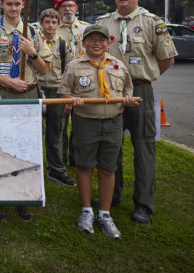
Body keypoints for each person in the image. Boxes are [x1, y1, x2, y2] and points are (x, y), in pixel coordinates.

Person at [96, 0, 177, 225]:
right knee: (111, 146)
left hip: (140, 92)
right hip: (109, 94)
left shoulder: (153, 23)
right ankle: (114, 194)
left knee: (144, 148)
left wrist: (143, 79)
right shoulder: (103, 22)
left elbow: (166, 59)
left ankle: (143, 204)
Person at [0, 0, 51, 223]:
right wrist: (8, 81)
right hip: (4, 96)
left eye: (18, 4)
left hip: (28, 96)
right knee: (1, 147)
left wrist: (33, 53)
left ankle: (22, 197)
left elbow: (45, 69)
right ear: (2, 5)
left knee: (26, 147)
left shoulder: (34, 34)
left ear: (23, 5)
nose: (14, 8)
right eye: (9, 4)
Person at [59, 24, 137, 239]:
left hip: (113, 123)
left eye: (101, 40)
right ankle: (86, 211)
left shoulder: (118, 65)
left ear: (107, 43)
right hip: (86, 123)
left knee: (108, 168)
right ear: (83, 43)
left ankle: (105, 213)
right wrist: (71, 100)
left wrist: (128, 99)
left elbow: (128, 89)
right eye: (91, 39)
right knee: (85, 166)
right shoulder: (74, 66)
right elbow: (64, 92)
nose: (96, 43)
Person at [36, 8, 75, 187]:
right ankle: (33, 166)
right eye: (47, 22)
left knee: (56, 132)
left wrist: (68, 98)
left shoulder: (62, 44)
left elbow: (69, 71)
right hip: (36, 89)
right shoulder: (34, 41)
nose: (50, 26)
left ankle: (57, 170)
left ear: (58, 24)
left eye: (53, 22)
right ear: (41, 23)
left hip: (56, 91)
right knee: (34, 132)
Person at [55, 0, 89, 167]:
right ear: (58, 9)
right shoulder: (52, 28)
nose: (67, 9)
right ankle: (60, 160)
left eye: (71, 6)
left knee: (82, 125)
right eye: (63, 6)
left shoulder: (87, 29)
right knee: (61, 124)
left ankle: (78, 159)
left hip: (84, 83)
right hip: (62, 82)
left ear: (76, 8)